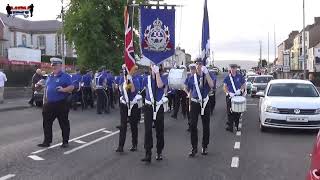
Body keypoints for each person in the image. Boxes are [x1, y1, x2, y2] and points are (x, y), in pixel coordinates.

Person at [38, 58, 74, 148]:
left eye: (55, 65)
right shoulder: (50, 76)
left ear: (60, 66)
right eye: (52, 66)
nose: (53, 67)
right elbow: (46, 88)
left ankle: (65, 142)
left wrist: (63, 89)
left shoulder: (65, 76)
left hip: (61, 103)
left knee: (63, 123)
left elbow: (72, 87)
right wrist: (45, 100)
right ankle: (47, 141)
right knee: (46, 123)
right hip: (49, 104)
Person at [186, 59, 214, 157]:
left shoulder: (207, 74)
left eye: (200, 64)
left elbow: (211, 85)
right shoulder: (191, 78)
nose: (198, 65)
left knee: (206, 126)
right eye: (197, 64)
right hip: (194, 103)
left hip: (205, 102)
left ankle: (205, 146)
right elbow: (189, 92)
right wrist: (189, 105)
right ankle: (194, 148)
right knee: (193, 125)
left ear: (203, 65)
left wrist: (206, 73)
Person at [141, 64, 168, 163]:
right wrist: (128, 76)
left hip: (158, 107)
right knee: (148, 131)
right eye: (152, 66)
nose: (154, 67)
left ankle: (159, 151)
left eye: (156, 66)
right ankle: (148, 153)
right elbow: (138, 88)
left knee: (159, 131)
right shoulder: (146, 79)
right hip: (148, 107)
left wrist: (157, 73)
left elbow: (160, 85)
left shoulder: (164, 77)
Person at [115, 65, 141, 153]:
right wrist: (126, 79)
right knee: (123, 126)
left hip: (133, 105)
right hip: (124, 104)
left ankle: (134, 144)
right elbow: (120, 89)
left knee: (133, 125)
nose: (125, 71)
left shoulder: (136, 79)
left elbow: (133, 90)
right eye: (125, 70)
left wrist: (129, 80)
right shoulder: (122, 79)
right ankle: (120, 146)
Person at [223, 64, 246, 133]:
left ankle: (236, 125)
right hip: (230, 96)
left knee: (238, 111)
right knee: (230, 111)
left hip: (238, 96)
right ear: (230, 69)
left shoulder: (240, 76)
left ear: (236, 69)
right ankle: (230, 127)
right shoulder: (227, 77)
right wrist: (228, 93)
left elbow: (244, 84)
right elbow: (224, 87)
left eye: (234, 68)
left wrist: (241, 90)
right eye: (232, 68)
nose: (233, 69)